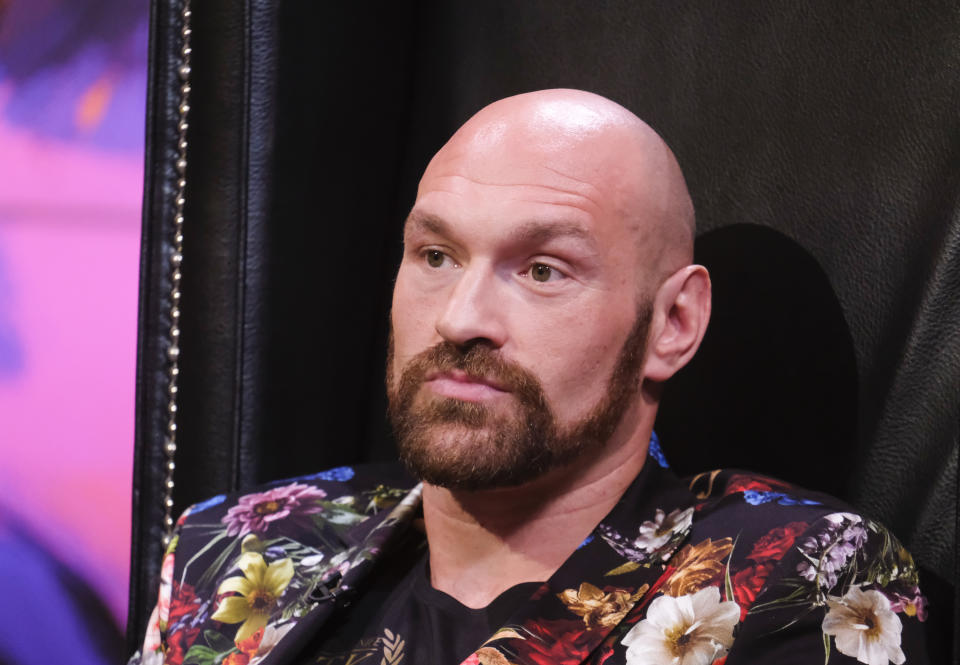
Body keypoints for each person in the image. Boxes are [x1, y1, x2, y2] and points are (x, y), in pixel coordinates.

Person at [130, 90, 928, 665]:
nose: (460, 318)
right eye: (436, 256)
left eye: (544, 269)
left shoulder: (797, 571)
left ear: (672, 324)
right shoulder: (237, 544)